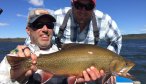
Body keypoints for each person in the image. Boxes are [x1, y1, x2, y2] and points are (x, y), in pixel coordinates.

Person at [0, 8, 105, 84]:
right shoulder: (17, 56)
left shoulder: (63, 52)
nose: (45, 29)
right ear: (28, 30)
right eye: (38, 25)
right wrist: (16, 79)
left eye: (49, 25)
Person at [53, 0, 122, 83]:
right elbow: (38, 33)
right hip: (59, 67)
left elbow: (116, 39)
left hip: (92, 72)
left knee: (112, 80)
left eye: (89, 6)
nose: (83, 11)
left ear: (94, 7)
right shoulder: (56, 16)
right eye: (78, 5)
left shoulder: (104, 19)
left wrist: (108, 65)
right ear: (72, 3)